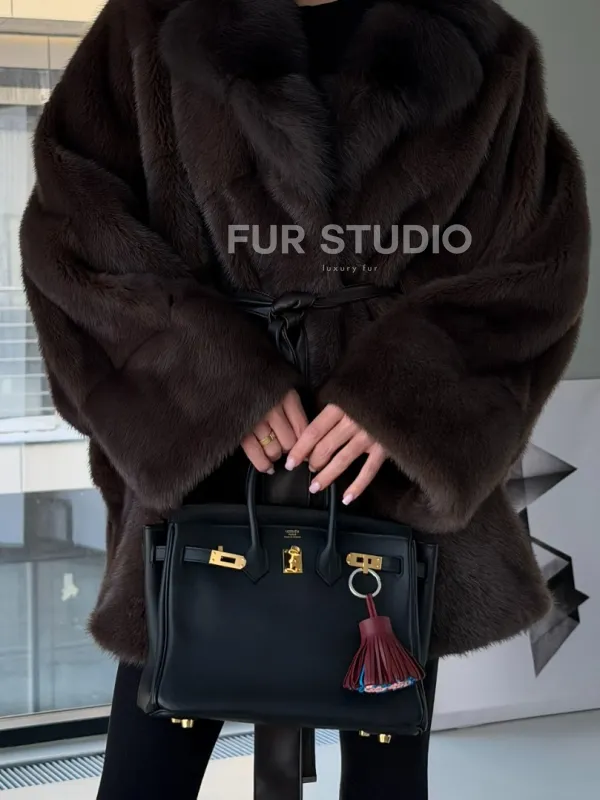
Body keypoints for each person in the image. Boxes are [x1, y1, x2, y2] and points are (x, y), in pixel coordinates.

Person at [20, 0, 589, 798]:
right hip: (203, 470)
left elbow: (539, 263)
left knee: (386, 775)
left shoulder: (483, 45)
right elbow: (72, 233)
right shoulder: (150, 21)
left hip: (384, 479)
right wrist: (211, 381)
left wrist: (402, 399)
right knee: (148, 768)